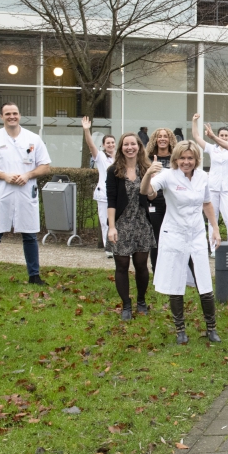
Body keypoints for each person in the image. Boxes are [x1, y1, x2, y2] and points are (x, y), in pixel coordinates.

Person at [141, 140, 222, 344]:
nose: (186, 162)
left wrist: (215, 228)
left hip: (195, 234)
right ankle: (180, 330)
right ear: (176, 159)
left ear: (196, 159)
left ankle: (211, 328)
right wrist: (148, 174)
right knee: (175, 283)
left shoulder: (203, 176)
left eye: (190, 158)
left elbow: (207, 203)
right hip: (174, 234)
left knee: (204, 280)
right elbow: (147, 192)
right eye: (183, 158)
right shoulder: (167, 175)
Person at [0, 102, 52, 286]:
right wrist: (4, 176)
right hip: (2, 194)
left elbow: (45, 166)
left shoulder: (33, 139)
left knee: (30, 235)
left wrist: (28, 174)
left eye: (15, 113)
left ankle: (34, 276)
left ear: (20, 115)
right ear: (1, 117)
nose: (12, 116)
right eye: (8, 113)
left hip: (26, 194)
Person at [106, 132, 155, 320]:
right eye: (125, 144)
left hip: (142, 222)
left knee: (141, 264)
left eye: (133, 144)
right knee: (122, 264)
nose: (129, 147)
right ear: (121, 148)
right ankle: (126, 304)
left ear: (139, 147)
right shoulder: (114, 171)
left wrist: (150, 175)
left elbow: (152, 197)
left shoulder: (146, 168)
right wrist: (112, 227)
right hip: (121, 223)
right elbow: (111, 200)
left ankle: (141, 301)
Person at [191, 113, 228, 256]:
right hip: (213, 187)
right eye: (221, 135)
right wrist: (194, 121)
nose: (224, 137)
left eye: (226, 135)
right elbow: (197, 137)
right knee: (213, 217)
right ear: (218, 136)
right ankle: (213, 248)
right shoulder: (212, 148)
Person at [82, 116, 116, 258]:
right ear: (103, 145)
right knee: (105, 222)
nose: (110, 145)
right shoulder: (100, 156)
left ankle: (120, 247)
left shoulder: (120, 157)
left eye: (113, 142)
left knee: (119, 221)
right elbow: (91, 145)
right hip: (104, 194)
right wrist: (87, 130)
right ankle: (109, 249)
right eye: (108, 143)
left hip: (118, 194)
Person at [145, 127, 175, 272]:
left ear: (170, 140)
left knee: (172, 237)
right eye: (159, 136)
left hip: (173, 204)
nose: (162, 139)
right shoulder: (148, 159)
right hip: (154, 203)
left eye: (165, 136)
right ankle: (157, 269)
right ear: (155, 140)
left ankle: (171, 269)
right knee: (156, 237)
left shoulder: (177, 158)